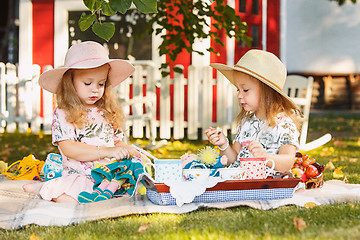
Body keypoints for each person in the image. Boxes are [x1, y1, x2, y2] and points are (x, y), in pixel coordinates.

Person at [23, 41, 143, 203]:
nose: (95, 89)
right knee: (71, 199)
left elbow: (115, 142)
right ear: (70, 83)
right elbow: (69, 148)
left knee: (122, 191)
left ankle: (54, 189)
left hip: (106, 175)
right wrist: (107, 151)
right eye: (88, 83)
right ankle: (45, 188)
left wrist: (129, 150)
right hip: (79, 176)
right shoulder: (63, 113)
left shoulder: (106, 111)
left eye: (101, 83)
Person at [204, 49, 302, 176]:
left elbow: (288, 162)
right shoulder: (246, 122)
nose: (239, 95)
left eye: (245, 90)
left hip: (266, 184)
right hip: (241, 182)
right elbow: (233, 159)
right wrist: (223, 144)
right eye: (238, 90)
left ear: (267, 91)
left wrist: (264, 156)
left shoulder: (284, 125)